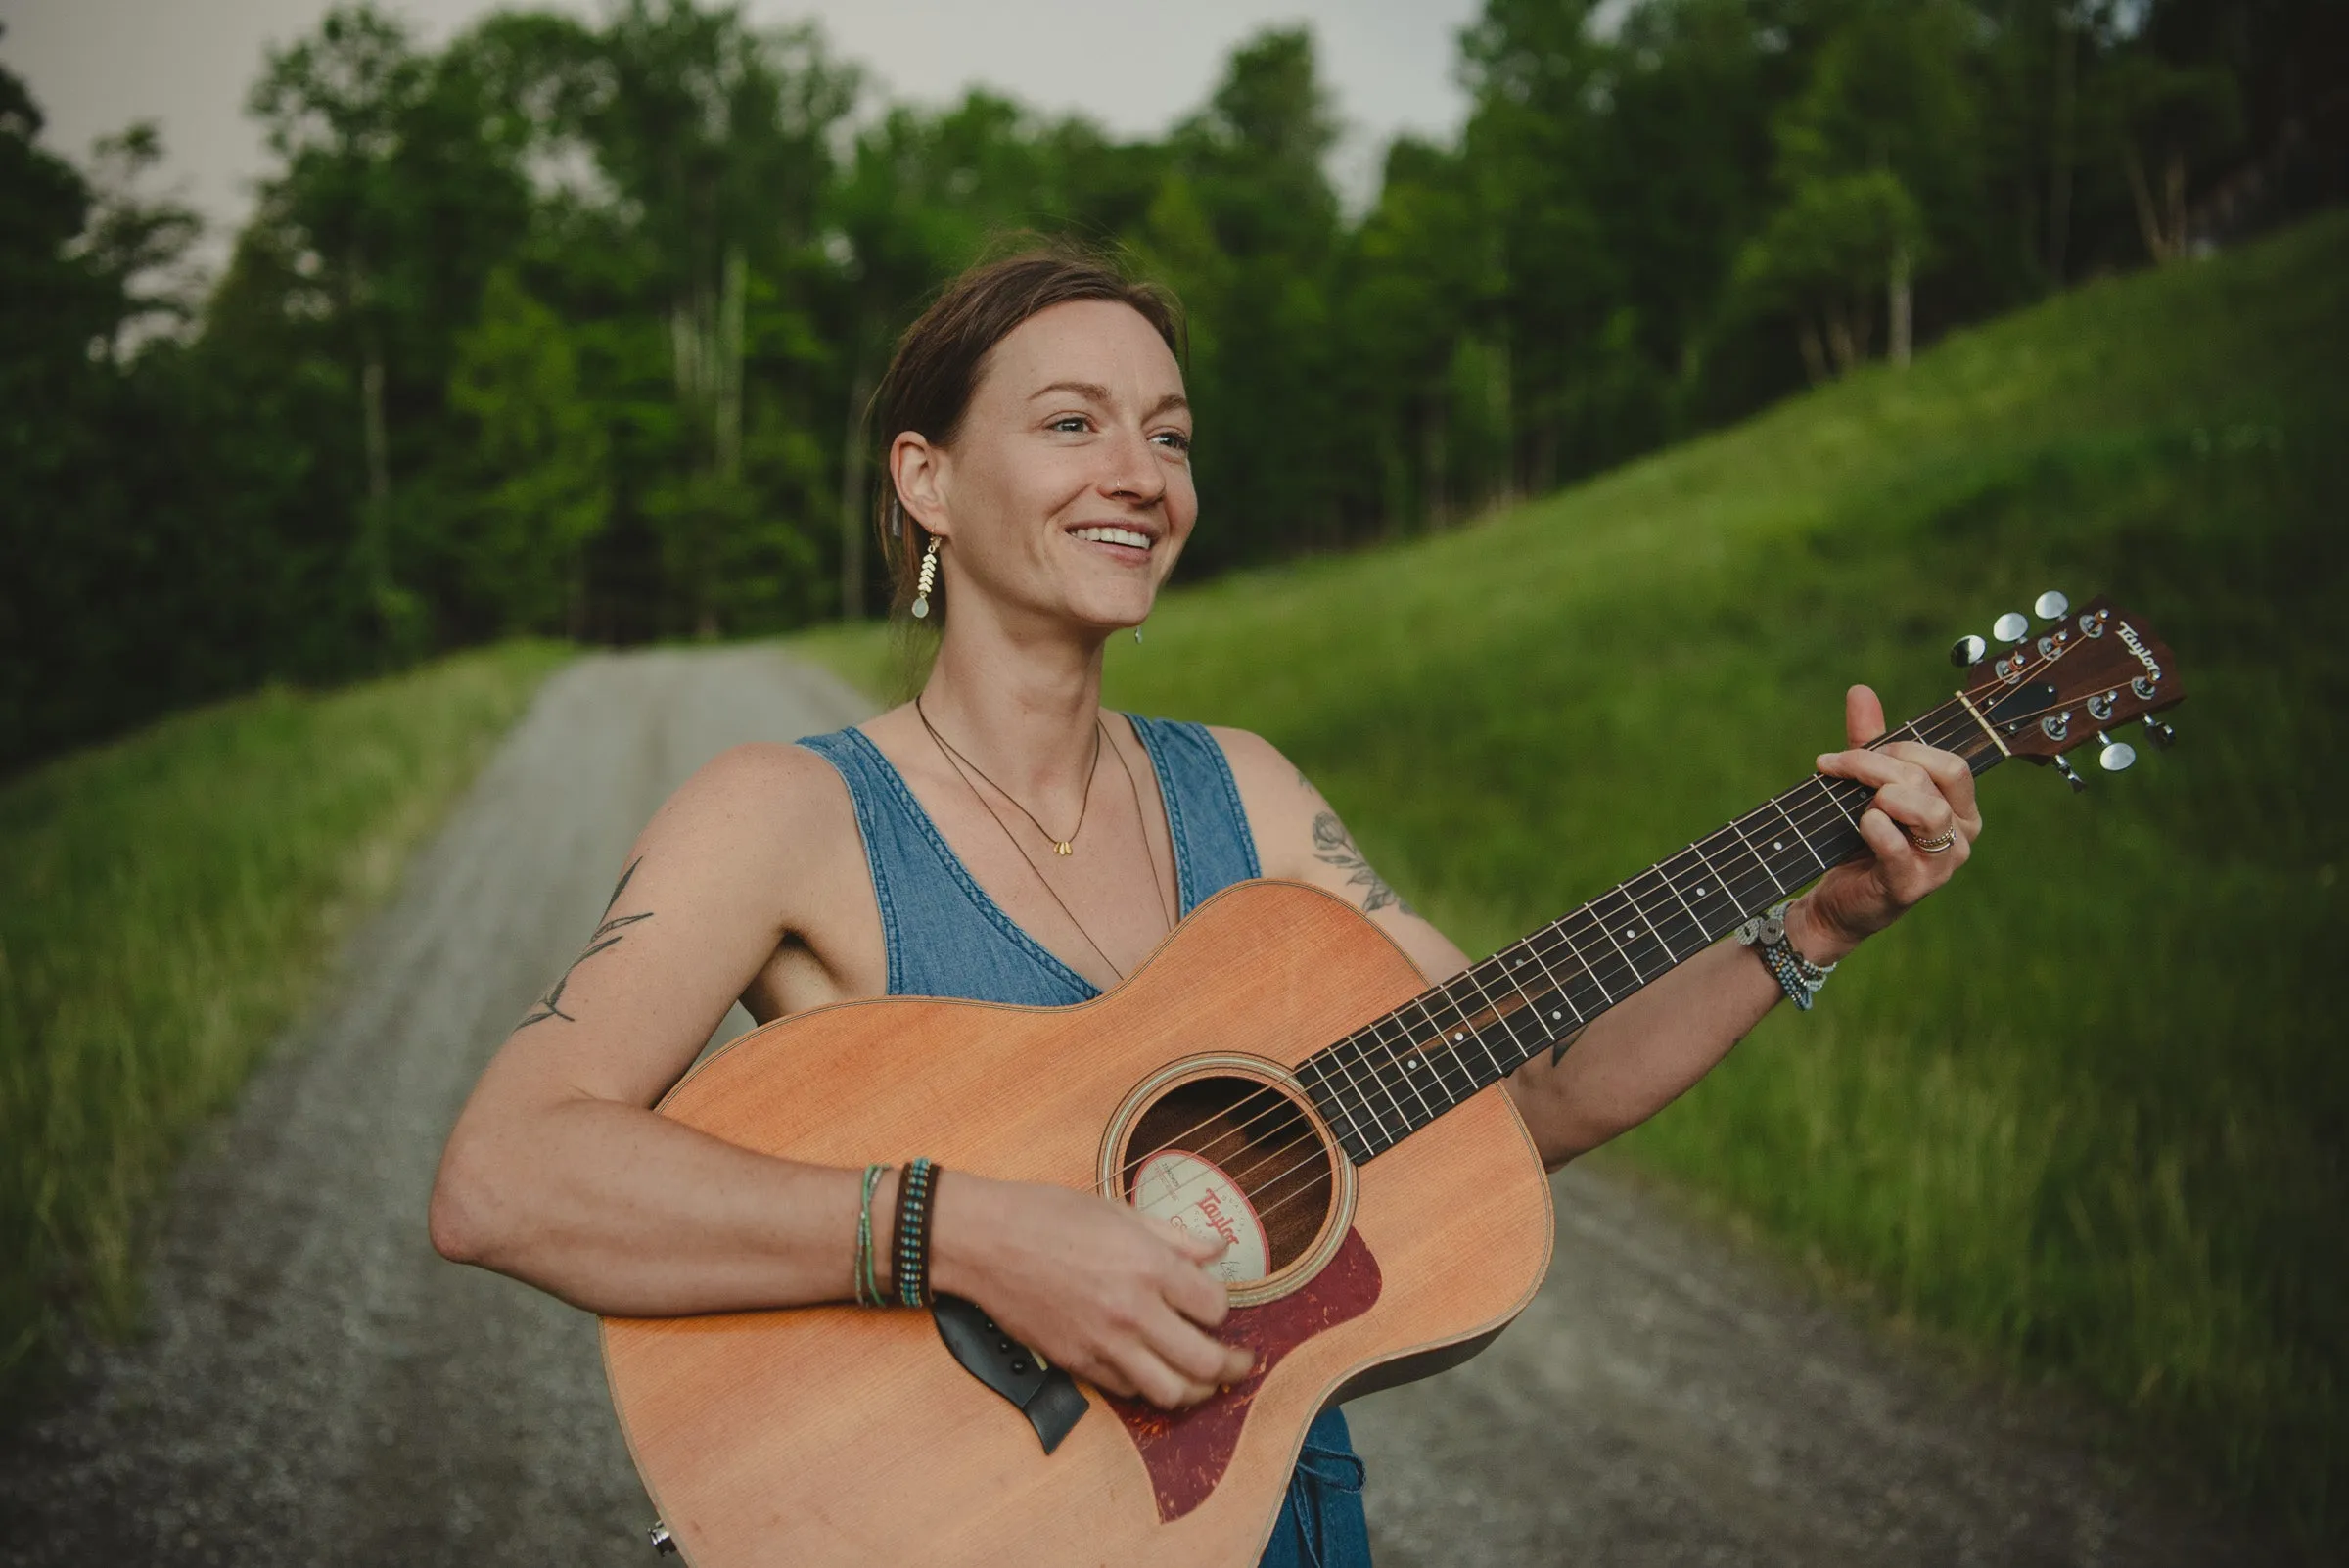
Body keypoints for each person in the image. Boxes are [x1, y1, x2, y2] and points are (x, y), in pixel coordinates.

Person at [428, 248, 1982, 1567]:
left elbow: (1531, 1091)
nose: (1139, 474)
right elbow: (506, 1175)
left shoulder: (1249, 796)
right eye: (1071, 422)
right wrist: (961, 1229)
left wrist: (1815, 926)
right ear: (928, 479)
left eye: (1169, 435)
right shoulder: (788, 811)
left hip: (1273, 1515)